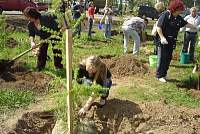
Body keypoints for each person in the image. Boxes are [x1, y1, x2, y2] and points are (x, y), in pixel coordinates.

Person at [155, 0, 199, 83]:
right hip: (164, 41)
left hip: (172, 41)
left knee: (168, 58)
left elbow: (186, 24)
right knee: (162, 58)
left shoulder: (178, 18)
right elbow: (159, 27)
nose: (181, 11)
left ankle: (164, 74)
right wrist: (162, 37)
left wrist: (196, 27)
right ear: (175, 8)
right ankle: (159, 75)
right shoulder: (166, 15)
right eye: (180, 10)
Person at [23, 7, 67, 71]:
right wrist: (32, 42)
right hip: (43, 36)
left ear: (33, 15)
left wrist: (64, 26)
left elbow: (59, 15)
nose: (27, 18)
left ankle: (58, 67)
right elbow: (31, 34)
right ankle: (40, 67)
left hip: (55, 33)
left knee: (57, 50)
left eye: (28, 16)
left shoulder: (45, 16)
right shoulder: (30, 25)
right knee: (42, 51)